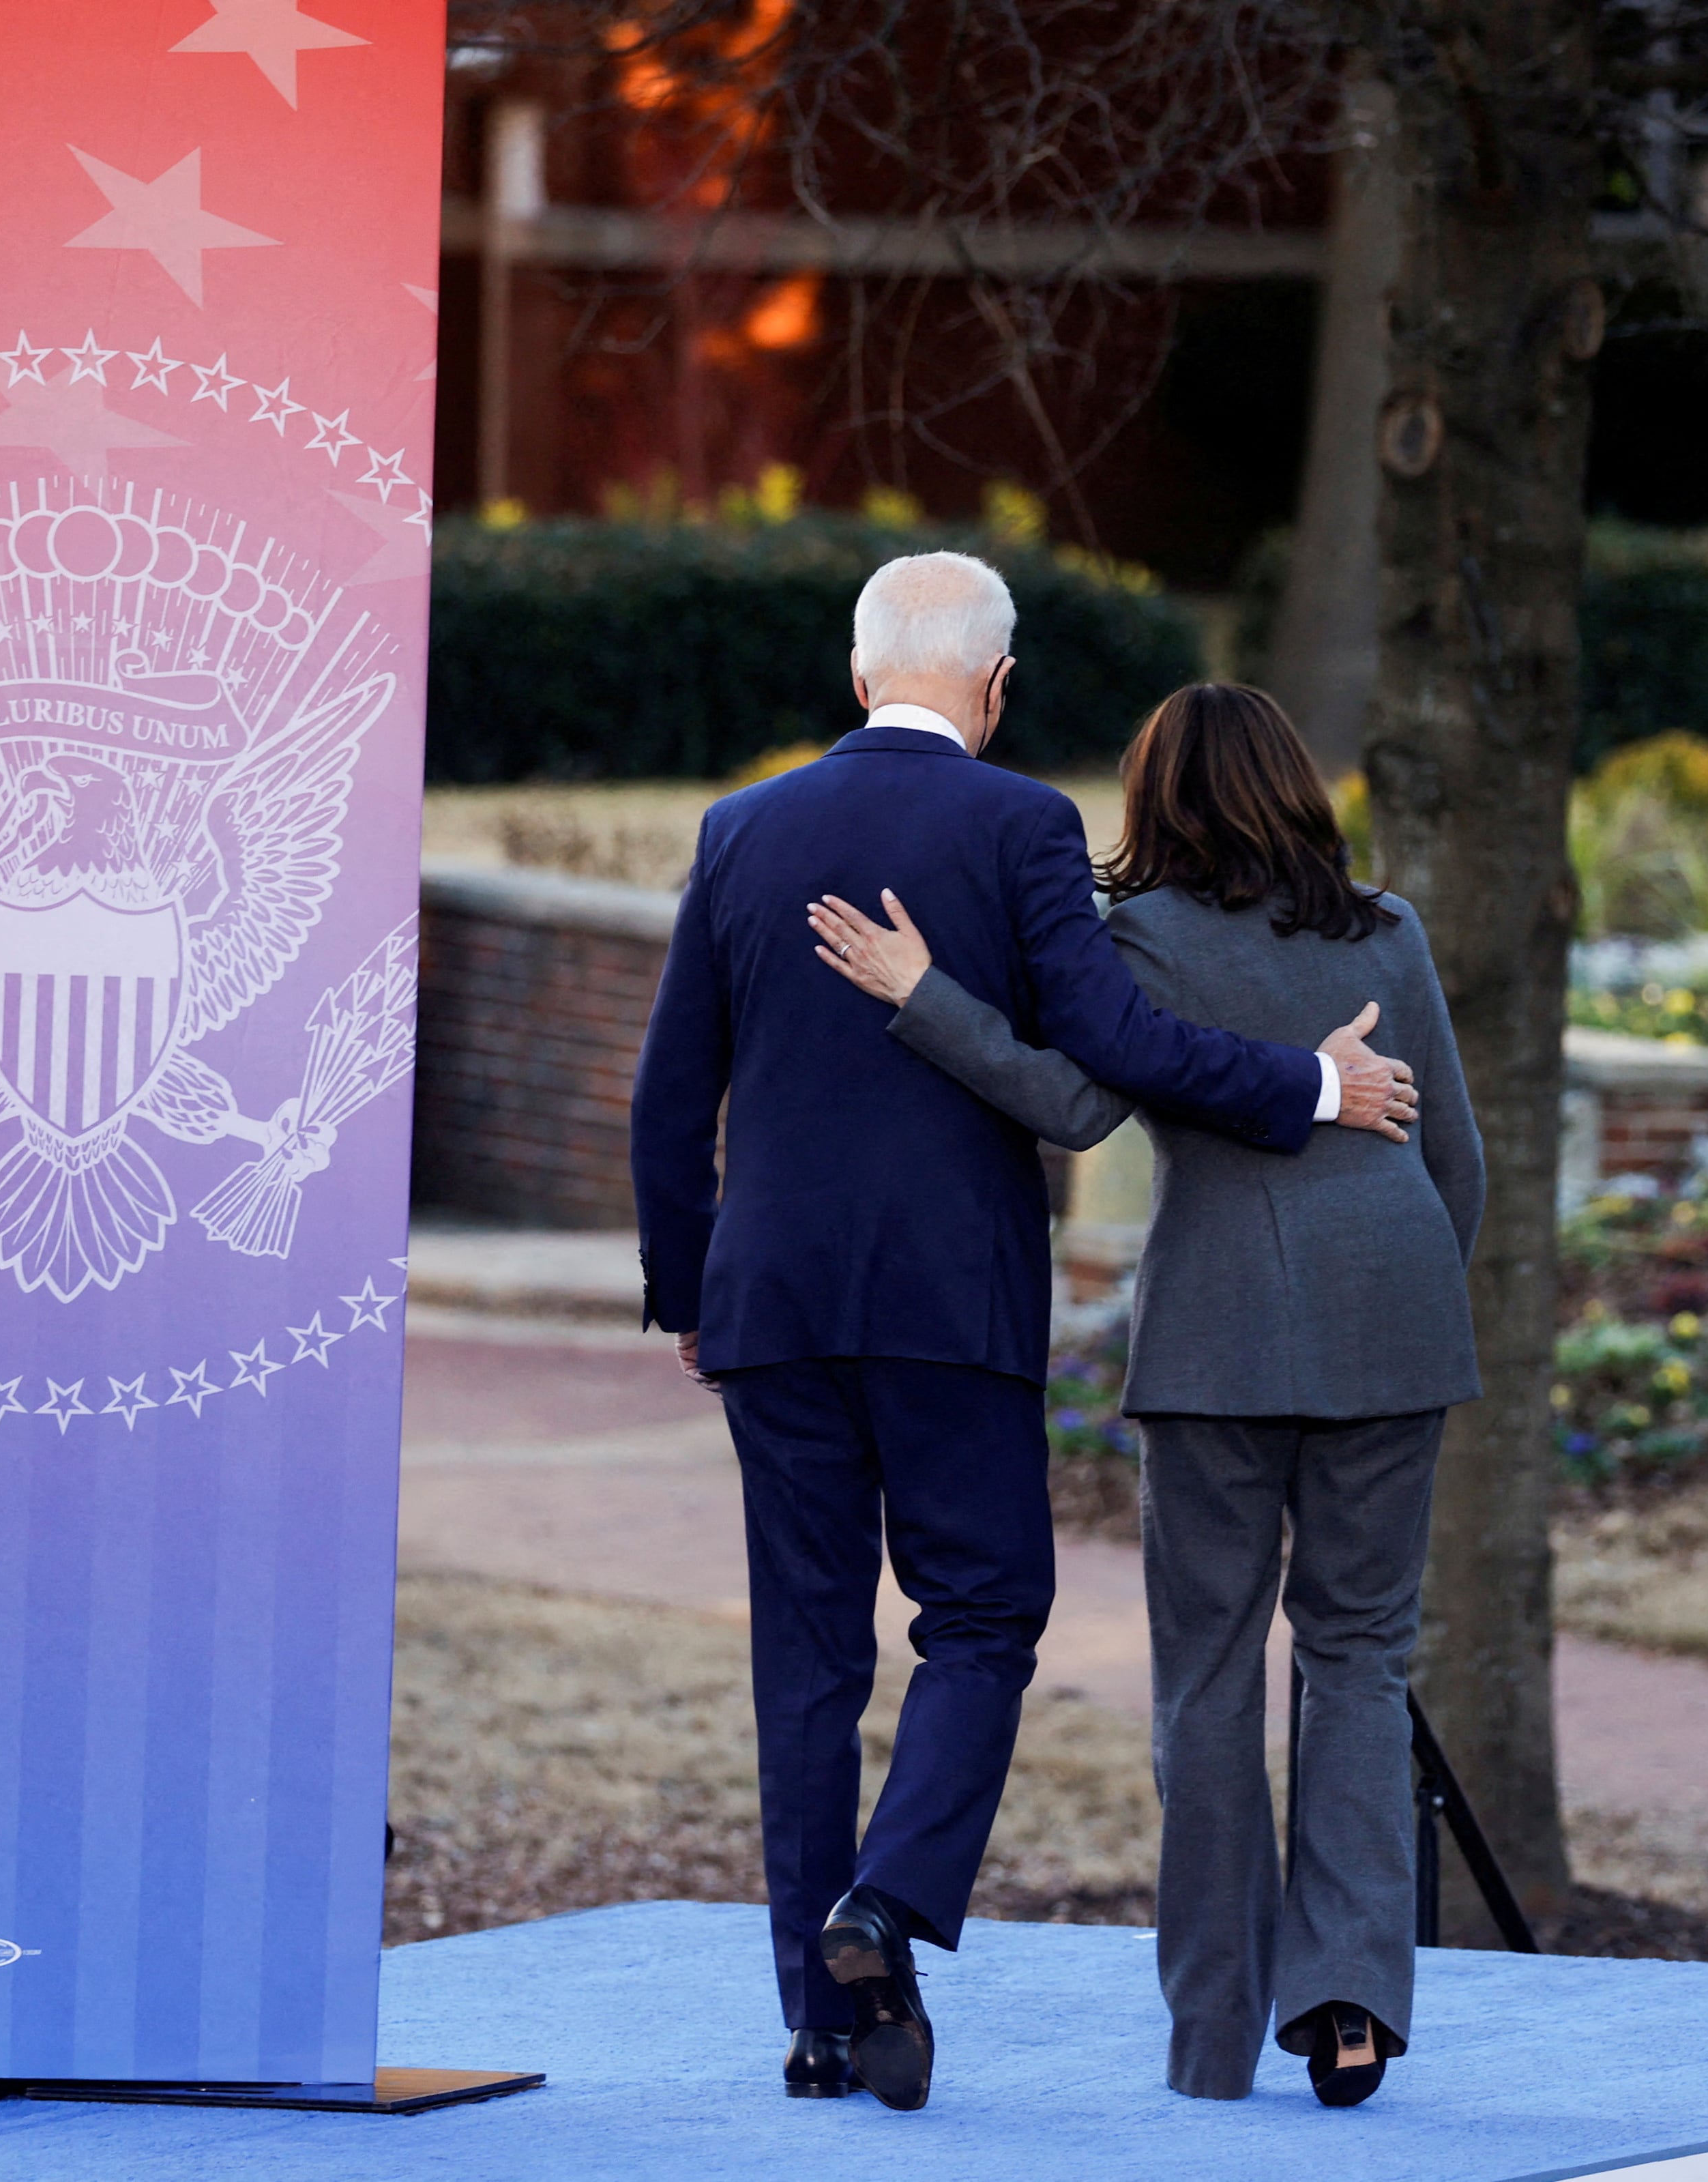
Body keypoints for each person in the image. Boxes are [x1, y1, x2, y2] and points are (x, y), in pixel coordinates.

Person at [632, 556, 1419, 2113]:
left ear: (861, 678)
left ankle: (825, 2019)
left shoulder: (740, 831)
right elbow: (1111, 1051)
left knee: (802, 1659)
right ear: (994, 685)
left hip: (773, 1306)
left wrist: (690, 1288)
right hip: (951, 1305)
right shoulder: (1020, 825)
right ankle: (886, 1906)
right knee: (981, 1620)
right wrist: (1312, 1088)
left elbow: (671, 1095)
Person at [805, 682, 1481, 2108]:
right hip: (1392, 1323)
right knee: (1359, 1658)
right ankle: (1351, 2004)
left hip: (1220, 1342)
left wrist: (921, 996)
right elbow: (1456, 1165)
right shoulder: (1392, 932)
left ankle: (1214, 2039)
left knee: (1211, 1675)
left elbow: (1073, 1105)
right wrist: (1401, 1306)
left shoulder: (1144, 941)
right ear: (1297, 790)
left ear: (1153, 804)